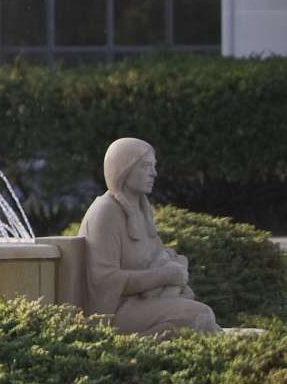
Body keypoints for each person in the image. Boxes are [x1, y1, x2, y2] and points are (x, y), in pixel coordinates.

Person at [81, 137, 219, 334]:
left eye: (154, 166)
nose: (153, 173)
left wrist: (175, 264)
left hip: (147, 300)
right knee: (199, 315)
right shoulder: (105, 213)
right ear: (123, 170)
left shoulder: (141, 208)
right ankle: (134, 349)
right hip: (116, 311)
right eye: (145, 166)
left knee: (197, 314)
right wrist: (164, 276)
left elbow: (154, 256)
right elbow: (105, 280)